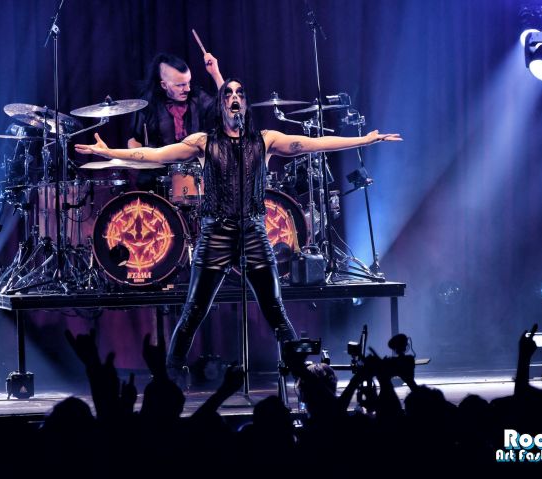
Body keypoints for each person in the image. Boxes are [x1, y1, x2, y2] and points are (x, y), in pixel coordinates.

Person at [76, 78, 402, 380]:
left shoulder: (265, 140)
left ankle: (306, 379)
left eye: (240, 94)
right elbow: (155, 155)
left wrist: (364, 140)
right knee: (193, 312)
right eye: (228, 93)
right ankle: (170, 379)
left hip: (254, 233)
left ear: (245, 104)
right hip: (216, 234)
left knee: (276, 312)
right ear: (221, 104)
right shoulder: (203, 142)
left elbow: (313, 143)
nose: (234, 97)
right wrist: (109, 153)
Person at [127, 52, 224, 190]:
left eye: (189, 82)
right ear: (164, 85)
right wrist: (140, 160)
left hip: (195, 177)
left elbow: (226, 109)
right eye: (180, 85)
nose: (187, 89)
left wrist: (215, 73)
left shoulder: (197, 97)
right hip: (157, 178)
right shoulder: (148, 104)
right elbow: (134, 141)